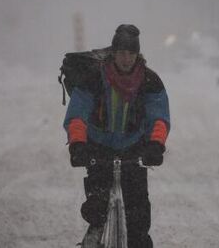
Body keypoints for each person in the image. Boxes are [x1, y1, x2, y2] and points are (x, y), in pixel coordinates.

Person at [63, 24, 170, 248]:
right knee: (97, 210)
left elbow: (158, 117)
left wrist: (155, 145)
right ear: (113, 53)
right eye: (122, 53)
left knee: (139, 222)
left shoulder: (150, 81)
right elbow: (77, 114)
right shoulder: (93, 77)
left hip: (133, 150)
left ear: (137, 54)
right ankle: (93, 239)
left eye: (131, 53)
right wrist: (78, 144)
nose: (126, 58)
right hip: (98, 148)